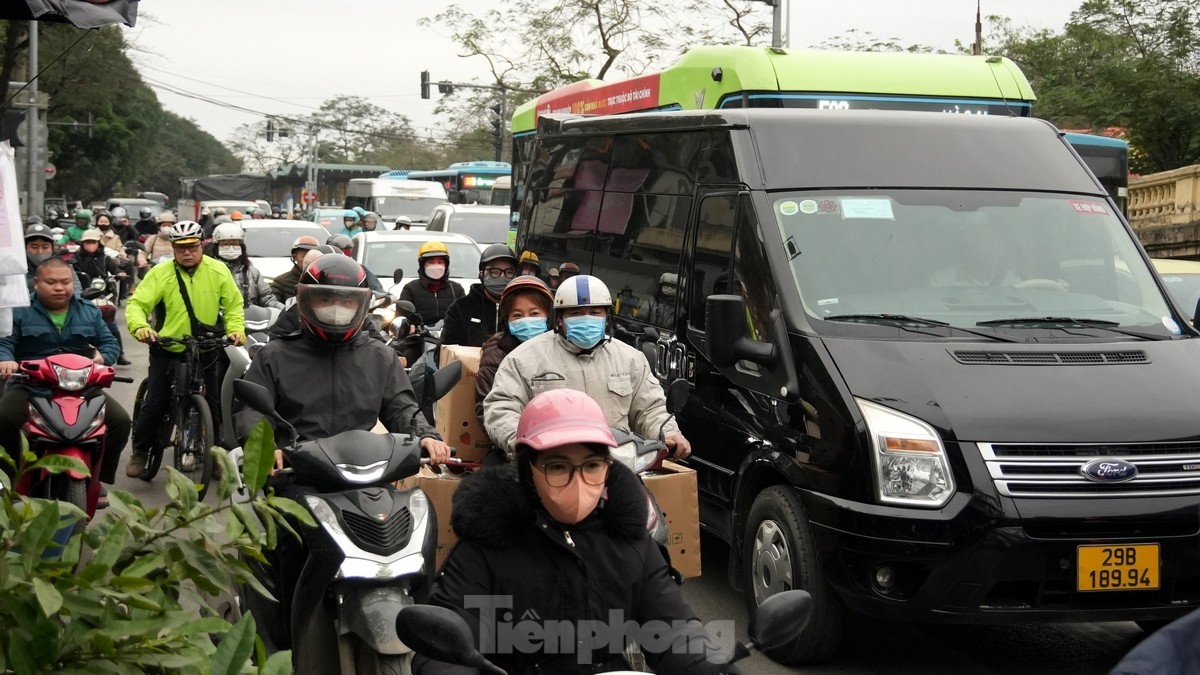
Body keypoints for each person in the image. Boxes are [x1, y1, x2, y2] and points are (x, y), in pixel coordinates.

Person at [414, 389, 731, 675]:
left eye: (592, 466)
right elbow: (443, 647)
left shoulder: (630, 542)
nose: (578, 483)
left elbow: (675, 630)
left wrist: (710, 667)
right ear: (529, 470)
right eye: (558, 467)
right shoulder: (489, 544)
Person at [235, 254, 451, 651]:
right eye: (325, 300)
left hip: (367, 477)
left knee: (419, 527)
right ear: (306, 301)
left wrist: (424, 436)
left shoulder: (380, 356)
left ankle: (426, 638)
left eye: (346, 301)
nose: (336, 309)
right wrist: (267, 448)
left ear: (361, 304)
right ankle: (283, 641)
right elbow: (251, 410)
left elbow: (402, 407)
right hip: (298, 477)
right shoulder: (276, 355)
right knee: (285, 544)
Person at [483, 274, 692, 461]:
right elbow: (502, 408)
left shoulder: (630, 359)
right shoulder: (523, 358)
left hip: (617, 465)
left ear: (607, 318)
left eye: (594, 312)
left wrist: (669, 433)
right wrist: (523, 443)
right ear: (560, 320)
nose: (586, 319)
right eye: (576, 313)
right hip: (550, 465)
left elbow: (650, 408)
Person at [125, 220, 246, 477]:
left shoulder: (218, 270)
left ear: (202, 245)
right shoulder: (160, 272)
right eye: (181, 248)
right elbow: (137, 304)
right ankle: (141, 450)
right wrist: (140, 328)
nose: (187, 253)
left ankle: (215, 455)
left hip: (206, 349)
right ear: (173, 248)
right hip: (167, 348)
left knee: (214, 404)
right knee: (156, 401)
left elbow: (234, 305)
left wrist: (237, 329)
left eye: (192, 247)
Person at [0, 258, 131, 490]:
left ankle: (99, 479)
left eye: (65, 282)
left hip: (81, 388)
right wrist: (7, 361)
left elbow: (110, 343)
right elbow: (5, 342)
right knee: (4, 418)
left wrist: (103, 359)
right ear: (37, 283)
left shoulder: (89, 311)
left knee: (120, 422)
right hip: (31, 386)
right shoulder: (18, 311)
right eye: (51, 282)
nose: (59, 288)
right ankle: (11, 477)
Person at [474, 275, 553, 439]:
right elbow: (487, 412)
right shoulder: (496, 355)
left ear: (548, 317)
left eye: (534, 313)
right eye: (517, 315)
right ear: (507, 320)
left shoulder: (560, 349)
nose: (527, 320)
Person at [439, 244, 516, 352]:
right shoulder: (461, 308)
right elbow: (444, 352)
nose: (502, 277)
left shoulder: (520, 307)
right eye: (494, 272)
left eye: (509, 272)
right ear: (482, 274)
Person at [74, 229, 130, 366]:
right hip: (82, 295)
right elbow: (70, 269)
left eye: (93, 242)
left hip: (103, 294)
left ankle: (120, 354)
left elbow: (116, 270)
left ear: (98, 243)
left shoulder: (106, 258)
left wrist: (120, 273)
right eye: (87, 242)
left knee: (111, 324)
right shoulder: (76, 258)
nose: (90, 245)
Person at [211, 222, 284, 310]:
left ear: (242, 246)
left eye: (235, 243)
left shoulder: (252, 272)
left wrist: (285, 309)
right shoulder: (209, 271)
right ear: (216, 246)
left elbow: (267, 298)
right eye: (225, 244)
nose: (230, 247)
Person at [399, 241, 466, 326]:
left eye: (440, 262)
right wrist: (409, 326)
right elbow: (401, 317)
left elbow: (466, 315)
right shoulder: (410, 288)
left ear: (446, 265)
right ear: (423, 265)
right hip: (420, 336)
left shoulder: (457, 289)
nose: (436, 266)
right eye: (431, 262)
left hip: (450, 336)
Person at [23, 223, 81, 296]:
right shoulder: (17, 271)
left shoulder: (64, 268)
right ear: (26, 248)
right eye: (34, 247)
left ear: (52, 248)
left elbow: (76, 294)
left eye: (45, 247)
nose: (40, 252)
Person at [269, 235, 322, 303]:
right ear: (295, 257)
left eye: (313, 256)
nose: (308, 260)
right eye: (304, 256)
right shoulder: (280, 282)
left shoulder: (324, 281)